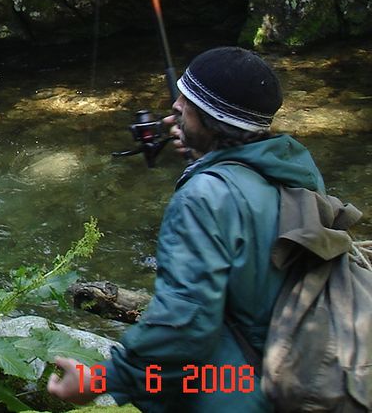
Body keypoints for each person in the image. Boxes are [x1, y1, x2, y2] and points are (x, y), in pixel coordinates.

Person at [48, 46, 325, 411]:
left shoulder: (205, 196)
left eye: (187, 101)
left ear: (212, 120)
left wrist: (99, 380)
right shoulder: (296, 174)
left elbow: (183, 327)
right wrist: (203, 151)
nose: (174, 108)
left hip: (239, 393)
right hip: (298, 375)